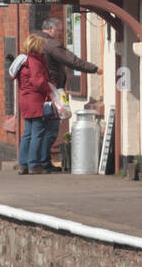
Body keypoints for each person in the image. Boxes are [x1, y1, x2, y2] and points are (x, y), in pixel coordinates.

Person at [32, 17, 101, 171]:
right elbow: (72, 60)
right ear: (50, 29)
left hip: (41, 92)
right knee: (51, 127)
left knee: (39, 128)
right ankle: (43, 162)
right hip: (54, 91)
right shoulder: (51, 44)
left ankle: (35, 162)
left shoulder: (35, 42)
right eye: (59, 31)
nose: (61, 34)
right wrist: (95, 69)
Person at [17, 34, 58, 175]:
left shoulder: (23, 60)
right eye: (41, 46)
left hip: (25, 99)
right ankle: (34, 164)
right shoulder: (34, 61)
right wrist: (51, 88)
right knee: (38, 133)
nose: (43, 49)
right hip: (35, 100)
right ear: (36, 46)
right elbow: (38, 81)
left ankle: (23, 164)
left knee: (27, 134)